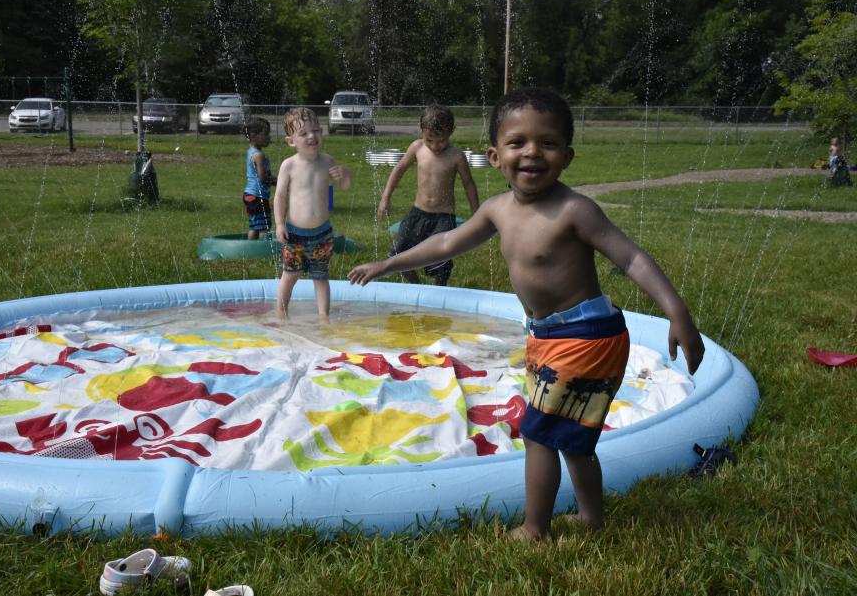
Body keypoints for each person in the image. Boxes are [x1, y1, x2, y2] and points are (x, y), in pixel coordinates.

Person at [349, 87, 704, 541]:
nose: (532, 152)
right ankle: (591, 519)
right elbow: (443, 244)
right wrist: (389, 263)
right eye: (518, 143)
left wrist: (677, 312)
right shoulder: (498, 210)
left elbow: (630, 258)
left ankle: (535, 529)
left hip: (587, 336)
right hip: (550, 336)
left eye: (548, 143)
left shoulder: (574, 210)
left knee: (538, 434)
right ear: (495, 156)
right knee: (573, 440)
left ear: (568, 156)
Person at [377, 104, 480, 286]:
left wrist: (476, 213)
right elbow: (398, 170)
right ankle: (417, 288)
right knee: (397, 254)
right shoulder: (417, 148)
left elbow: (468, 184)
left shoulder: (456, 156)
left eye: (441, 140)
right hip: (418, 213)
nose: (436, 146)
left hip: (444, 217)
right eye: (429, 139)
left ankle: (439, 291)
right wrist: (385, 197)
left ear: (452, 131)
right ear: (421, 129)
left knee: (441, 261)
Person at [274, 107, 352, 319]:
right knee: (290, 276)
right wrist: (280, 224)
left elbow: (345, 185)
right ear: (291, 141)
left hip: (322, 234)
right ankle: (281, 313)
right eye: (304, 133)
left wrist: (345, 173)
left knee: (321, 277)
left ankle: (323, 317)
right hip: (294, 235)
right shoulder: (289, 166)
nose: (312, 136)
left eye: (316, 130)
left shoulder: (327, 161)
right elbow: (280, 196)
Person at [242, 117, 276, 240]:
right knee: (264, 227)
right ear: (254, 136)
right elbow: (263, 178)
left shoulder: (251, 151)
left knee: (255, 225)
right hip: (257, 196)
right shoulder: (258, 155)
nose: (269, 137)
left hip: (251, 195)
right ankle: (261, 251)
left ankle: (251, 249)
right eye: (266, 134)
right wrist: (279, 181)